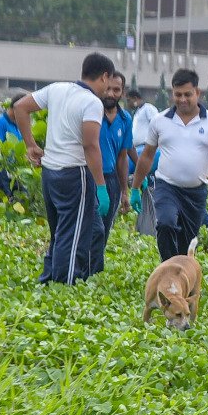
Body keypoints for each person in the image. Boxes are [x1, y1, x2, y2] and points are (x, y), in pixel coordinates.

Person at [12, 52, 115, 284]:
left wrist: (30, 145)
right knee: (72, 235)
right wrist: (101, 186)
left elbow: (20, 107)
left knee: (60, 231)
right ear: (104, 76)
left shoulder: (57, 89)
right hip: (74, 173)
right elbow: (90, 145)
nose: (107, 89)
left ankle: (50, 279)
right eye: (108, 82)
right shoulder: (92, 102)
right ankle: (64, 284)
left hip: (50, 172)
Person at [130, 70, 208, 262]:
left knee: (186, 243)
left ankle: (180, 269)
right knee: (165, 223)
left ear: (197, 92)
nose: (182, 99)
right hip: (167, 187)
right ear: (172, 93)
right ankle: (168, 266)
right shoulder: (160, 121)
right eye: (178, 94)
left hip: (195, 193)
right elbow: (147, 156)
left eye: (187, 94)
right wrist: (135, 187)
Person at [93, 72, 133, 273]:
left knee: (105, 229)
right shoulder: (91, 113)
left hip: (112, 181)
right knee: (92, 228)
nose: (110, 93)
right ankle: (82, 271)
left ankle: (95, 273)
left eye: (116, 90)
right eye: (107, 88)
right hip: (90, 178)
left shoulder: (125, 119)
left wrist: (125, 190)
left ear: (122, 92)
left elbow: (122, 157)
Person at [0, 90, 27, 195]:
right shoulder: (0, 122)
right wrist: (7, 169)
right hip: (0, 169)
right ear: (16, 107)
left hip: (14, 170)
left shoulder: (17, 124)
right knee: (5, 198)